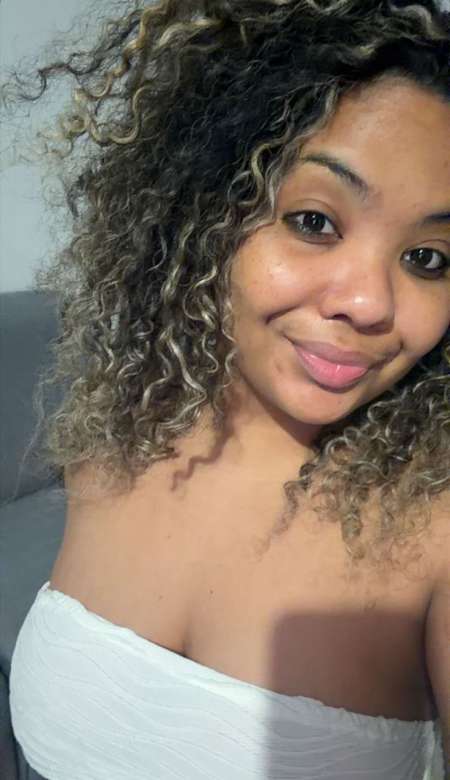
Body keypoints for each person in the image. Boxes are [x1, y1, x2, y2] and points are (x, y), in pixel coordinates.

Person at [5, 1, 449, 777]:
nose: (369, 302)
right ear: (203, 209)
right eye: (314, 221)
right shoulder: (120, 426)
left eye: (430, 259)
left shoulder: (435, 531)